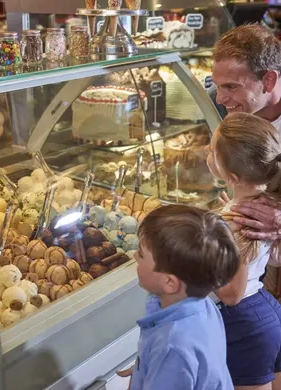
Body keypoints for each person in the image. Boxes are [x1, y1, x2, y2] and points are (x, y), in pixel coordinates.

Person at [120, 204, 239, 390]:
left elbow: (175, 362)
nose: (135, 255)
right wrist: (145, 367)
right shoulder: (204, 306)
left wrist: (160, 367)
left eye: (141, 255)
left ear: (169, 283)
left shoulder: (172, 346)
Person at [206, 112, 281, 390]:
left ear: (232, 177)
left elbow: (232, 294)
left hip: (243, 322)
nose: (207, 152)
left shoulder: (229, 223)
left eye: (212, 151)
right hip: (266, 310)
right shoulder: (270, 204)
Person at [210, 24, 281, 241]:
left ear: (269, 80)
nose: (219, 99)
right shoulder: (237, 109)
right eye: (217, 86)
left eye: (231, 87)